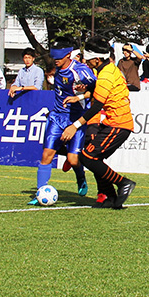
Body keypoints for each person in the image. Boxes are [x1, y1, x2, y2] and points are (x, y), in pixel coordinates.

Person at [58, 41, 137, 209]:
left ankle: (124, 182)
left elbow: (97, 106)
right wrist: (81, 95)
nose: (86, 62)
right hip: (114, 122)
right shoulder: (106, 70)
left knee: (88, 157)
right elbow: (95, 91)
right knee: (92, 157)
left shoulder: (106, 75)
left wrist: (75, 126)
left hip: (119, 124)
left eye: (88, 59)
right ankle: (109, 197)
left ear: (97, 60)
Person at [30, 46, 96, 204]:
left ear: (68, 55)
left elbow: (94, 92)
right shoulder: (58, 69)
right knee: (46, 155)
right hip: (57, 117)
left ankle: (81, 178)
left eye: (59, 58)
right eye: (55, 58)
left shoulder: (81, 70)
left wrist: (79, 95)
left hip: (75, 119)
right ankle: (40, 190)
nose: (56, 61)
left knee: (73, 159)